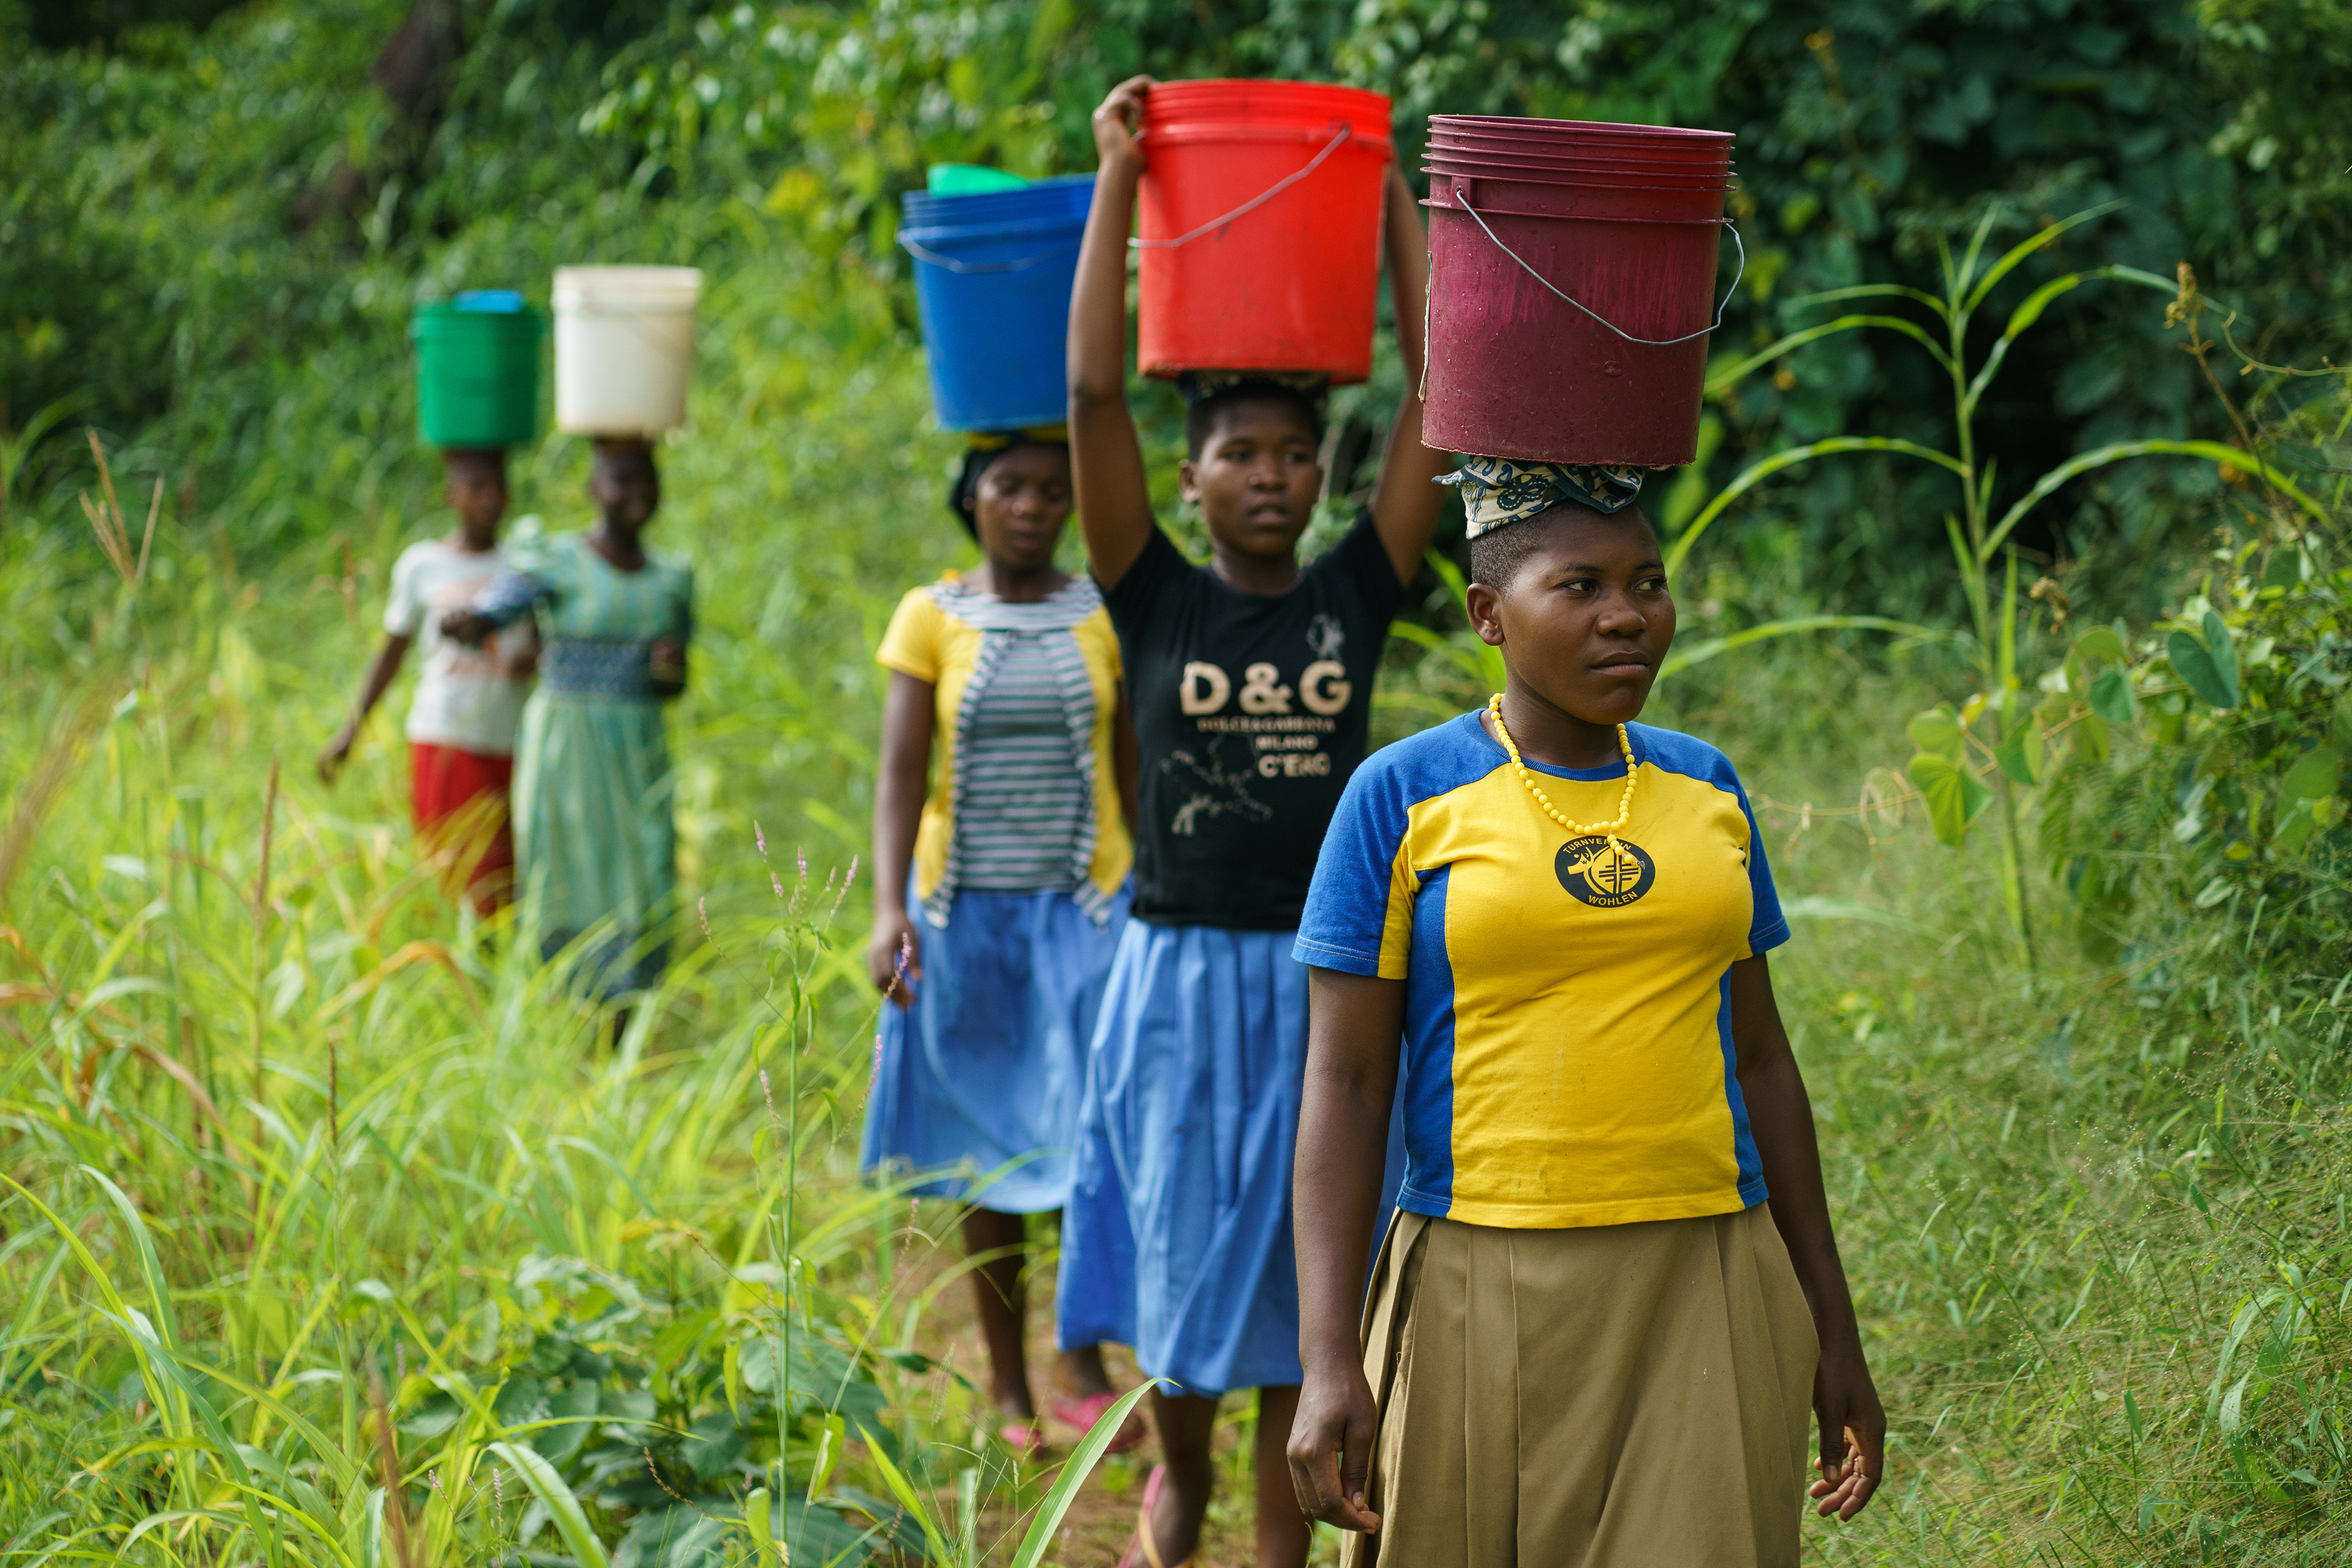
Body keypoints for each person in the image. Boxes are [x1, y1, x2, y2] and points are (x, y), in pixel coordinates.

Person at [1283, 459, 1887, 1567]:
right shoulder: (1403, 796)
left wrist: (1831, 1326)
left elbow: (1761, 1062)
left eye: (1649, 583)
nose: (1629, 617)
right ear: (1487, 616)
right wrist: (1330, 1359)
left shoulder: (1706, 788)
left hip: (1704, 1271)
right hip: (1480, 1275)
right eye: (1580, 587)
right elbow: (1347, 1083)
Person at [1057, 75, 1452, 1568]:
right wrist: (1115, 176)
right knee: (1175, 1242)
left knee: (1313, 1264)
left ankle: (1280, 1524)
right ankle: (1177, 1473)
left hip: (1323, 978)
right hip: (1173, 976)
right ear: (1191, 477)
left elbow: (1436, 402)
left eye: (1294, 453)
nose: (1272, 475)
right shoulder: (1152, 589)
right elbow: (1093, 394)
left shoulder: (1356, 592)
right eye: (1241, 453)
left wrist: (1391, 203)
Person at [861, 426, 1147, 1458]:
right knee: (990, 1158)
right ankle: (1010, 1387)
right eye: (1007, 486)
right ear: (971, 498)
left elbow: (1132, 770)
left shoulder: (1103, 615)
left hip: (1084, 916)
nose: (1030, 505)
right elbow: (900, 776)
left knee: (1085, 1144)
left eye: (1048, 490)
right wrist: (888, 909)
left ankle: (1082, 1364)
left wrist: (1151, 893)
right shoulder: (929, 617)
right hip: (964, 919)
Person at [442, 437, 694, 1005]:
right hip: (568, 747)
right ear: (594, 489)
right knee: (569, 864)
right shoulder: (556, 558)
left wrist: (668, 672)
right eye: (621, 479)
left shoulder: (671, 580)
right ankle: (568, 1005)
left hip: (638, 747)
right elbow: (501, 605)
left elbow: (677, 681)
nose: (636, 493)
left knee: (645, 866)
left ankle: (632, 1009)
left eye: (646, 479)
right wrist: (474, 620)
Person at [318, 447, 535, 913]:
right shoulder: (421, 566)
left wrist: (529, 661)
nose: (490, 499)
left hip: (512, 738)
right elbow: (391, 655)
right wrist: (351, 731)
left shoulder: (525, 564)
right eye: (477, 487)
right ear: (451, 494)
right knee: (455, 870)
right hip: (446, 738)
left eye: (499, 486)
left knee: (505, 875)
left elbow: (545, 646)